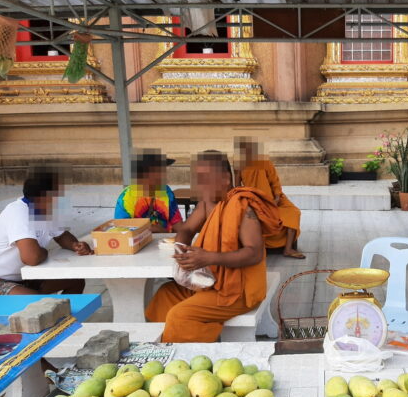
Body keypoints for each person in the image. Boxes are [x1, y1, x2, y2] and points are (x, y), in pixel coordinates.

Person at [145, 150, 283, 342]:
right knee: (165, 295)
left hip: (237, 291)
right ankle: (168, 345)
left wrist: (207, 257)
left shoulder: (242, 207)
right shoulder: (207, 203)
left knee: (180, 315)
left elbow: (255, 253)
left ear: (225, 178)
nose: (200, 184)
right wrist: (181, 250)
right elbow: (186, 229)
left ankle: (187, 360)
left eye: (205, 178)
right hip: (211, 279)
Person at [0, 166, 91, 295]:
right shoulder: (18, 213)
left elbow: (62, 236)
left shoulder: (44, 211)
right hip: (1, 280)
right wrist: (44, 252)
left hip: (27, 277)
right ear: (43, 197)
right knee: (37, 303)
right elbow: (32, 258)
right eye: (58, 193)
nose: (62, 197)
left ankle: (65, 315)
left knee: (75, 281)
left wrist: (76, 246)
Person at [236, 139, 305, 259]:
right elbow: (237, 186)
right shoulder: (239, 165)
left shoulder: (265, 162)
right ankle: (257, 247)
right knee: (255, 218)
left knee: (294, 212)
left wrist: (276, 199)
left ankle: (288, 249)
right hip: (252, 200)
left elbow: (274, 182)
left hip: (273, 199)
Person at [115, 149, 182, 233]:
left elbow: (178, 224)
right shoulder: (126, 198)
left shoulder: (166, 191)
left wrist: (164, 231)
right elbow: (121, 231)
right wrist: (147, 230)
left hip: (165, 241)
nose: (163, 175)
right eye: (158, 171)